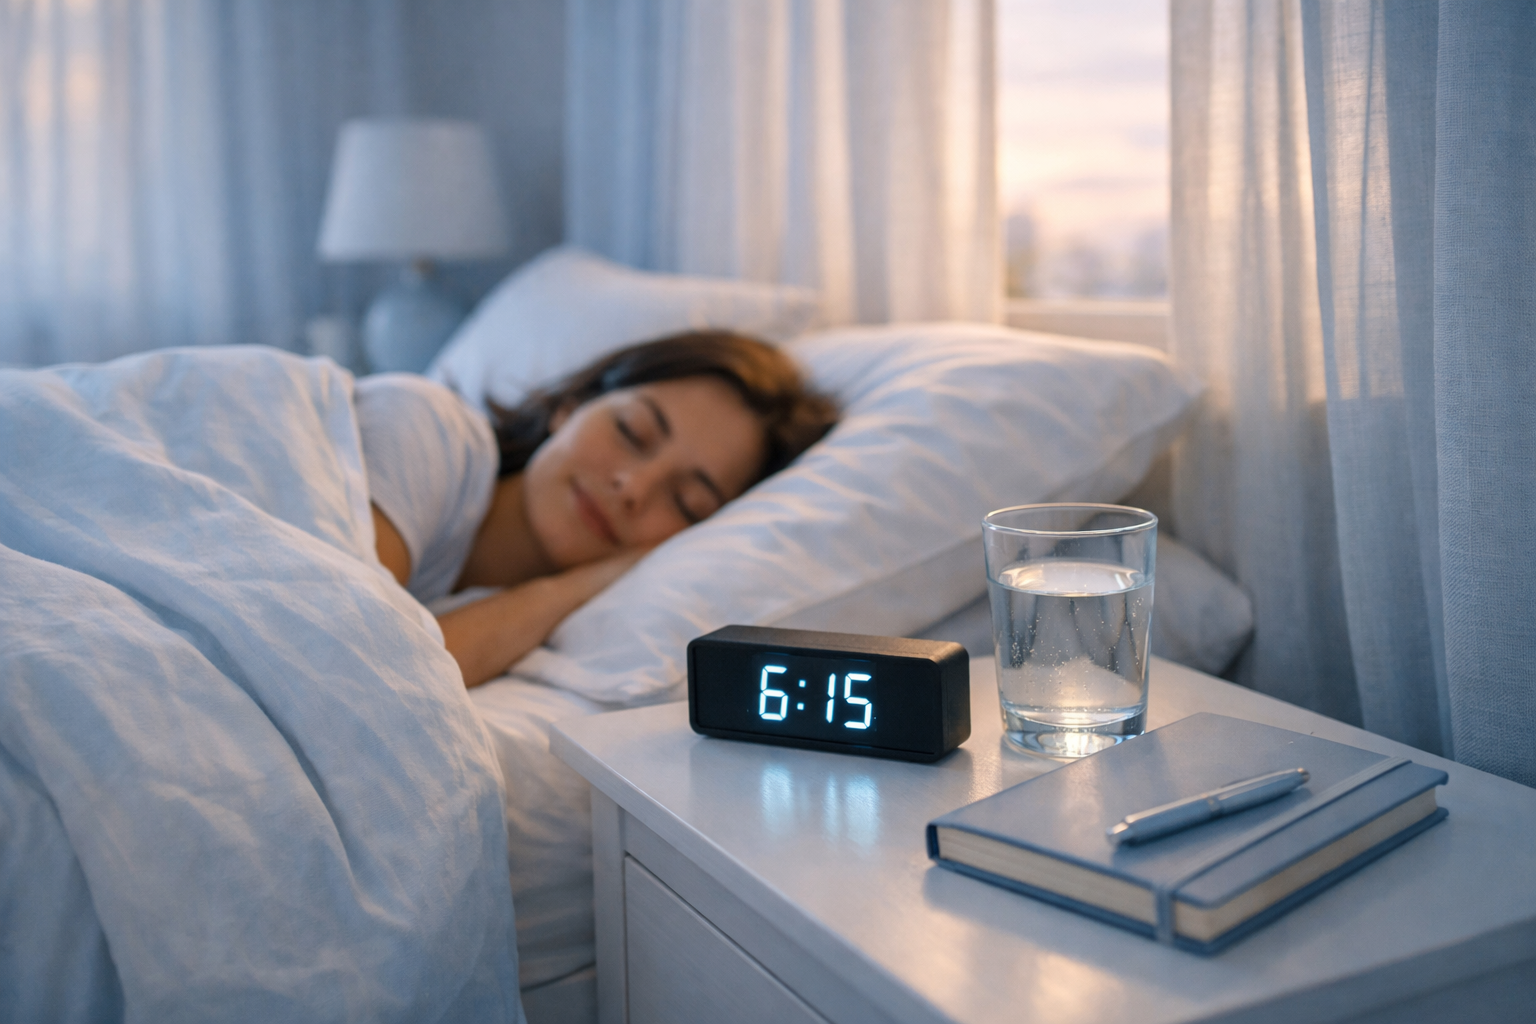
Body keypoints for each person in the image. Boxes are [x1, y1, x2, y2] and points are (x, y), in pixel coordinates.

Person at [357, 330, 837, 687]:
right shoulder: (423, 427)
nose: (633, 486)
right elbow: (366, 671)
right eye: (631, 432)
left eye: (686, 502)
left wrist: (578, 587)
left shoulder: (547, 627)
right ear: (572, 405)